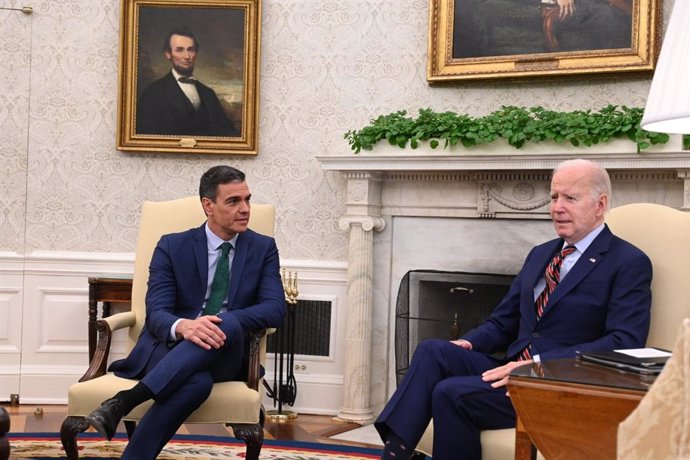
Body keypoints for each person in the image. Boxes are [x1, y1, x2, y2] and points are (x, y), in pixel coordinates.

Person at [374, 159, 653, 460]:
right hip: (513, 370)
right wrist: (470, 342)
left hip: (558, 384)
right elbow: (503, 322)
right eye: (554, 197)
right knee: (433, 350)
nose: (557, 207)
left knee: (450, 393)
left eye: (570, 198)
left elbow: (624, 343)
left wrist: (538, 363)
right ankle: (396, 452)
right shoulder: (541, 254)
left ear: (600, 205)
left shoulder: (628, 262)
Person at [85, 165, 285, 459]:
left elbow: (275, 308)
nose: (245, 209)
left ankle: (125, 401)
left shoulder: (263, 247)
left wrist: (223, 322)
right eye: (233, 201)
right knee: (196, 383)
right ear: (208, 206)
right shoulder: (172, 245)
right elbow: (156, 312)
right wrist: (185, 327)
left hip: (226, 352)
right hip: (167, 350)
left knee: (226, 322)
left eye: (247, 199)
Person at [136, 27, 239, 137]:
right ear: (168, 54)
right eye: (179, 50)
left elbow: (227, 134)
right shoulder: (153, 93)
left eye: (191, 49)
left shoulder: (209, 94)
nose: (187, 56)